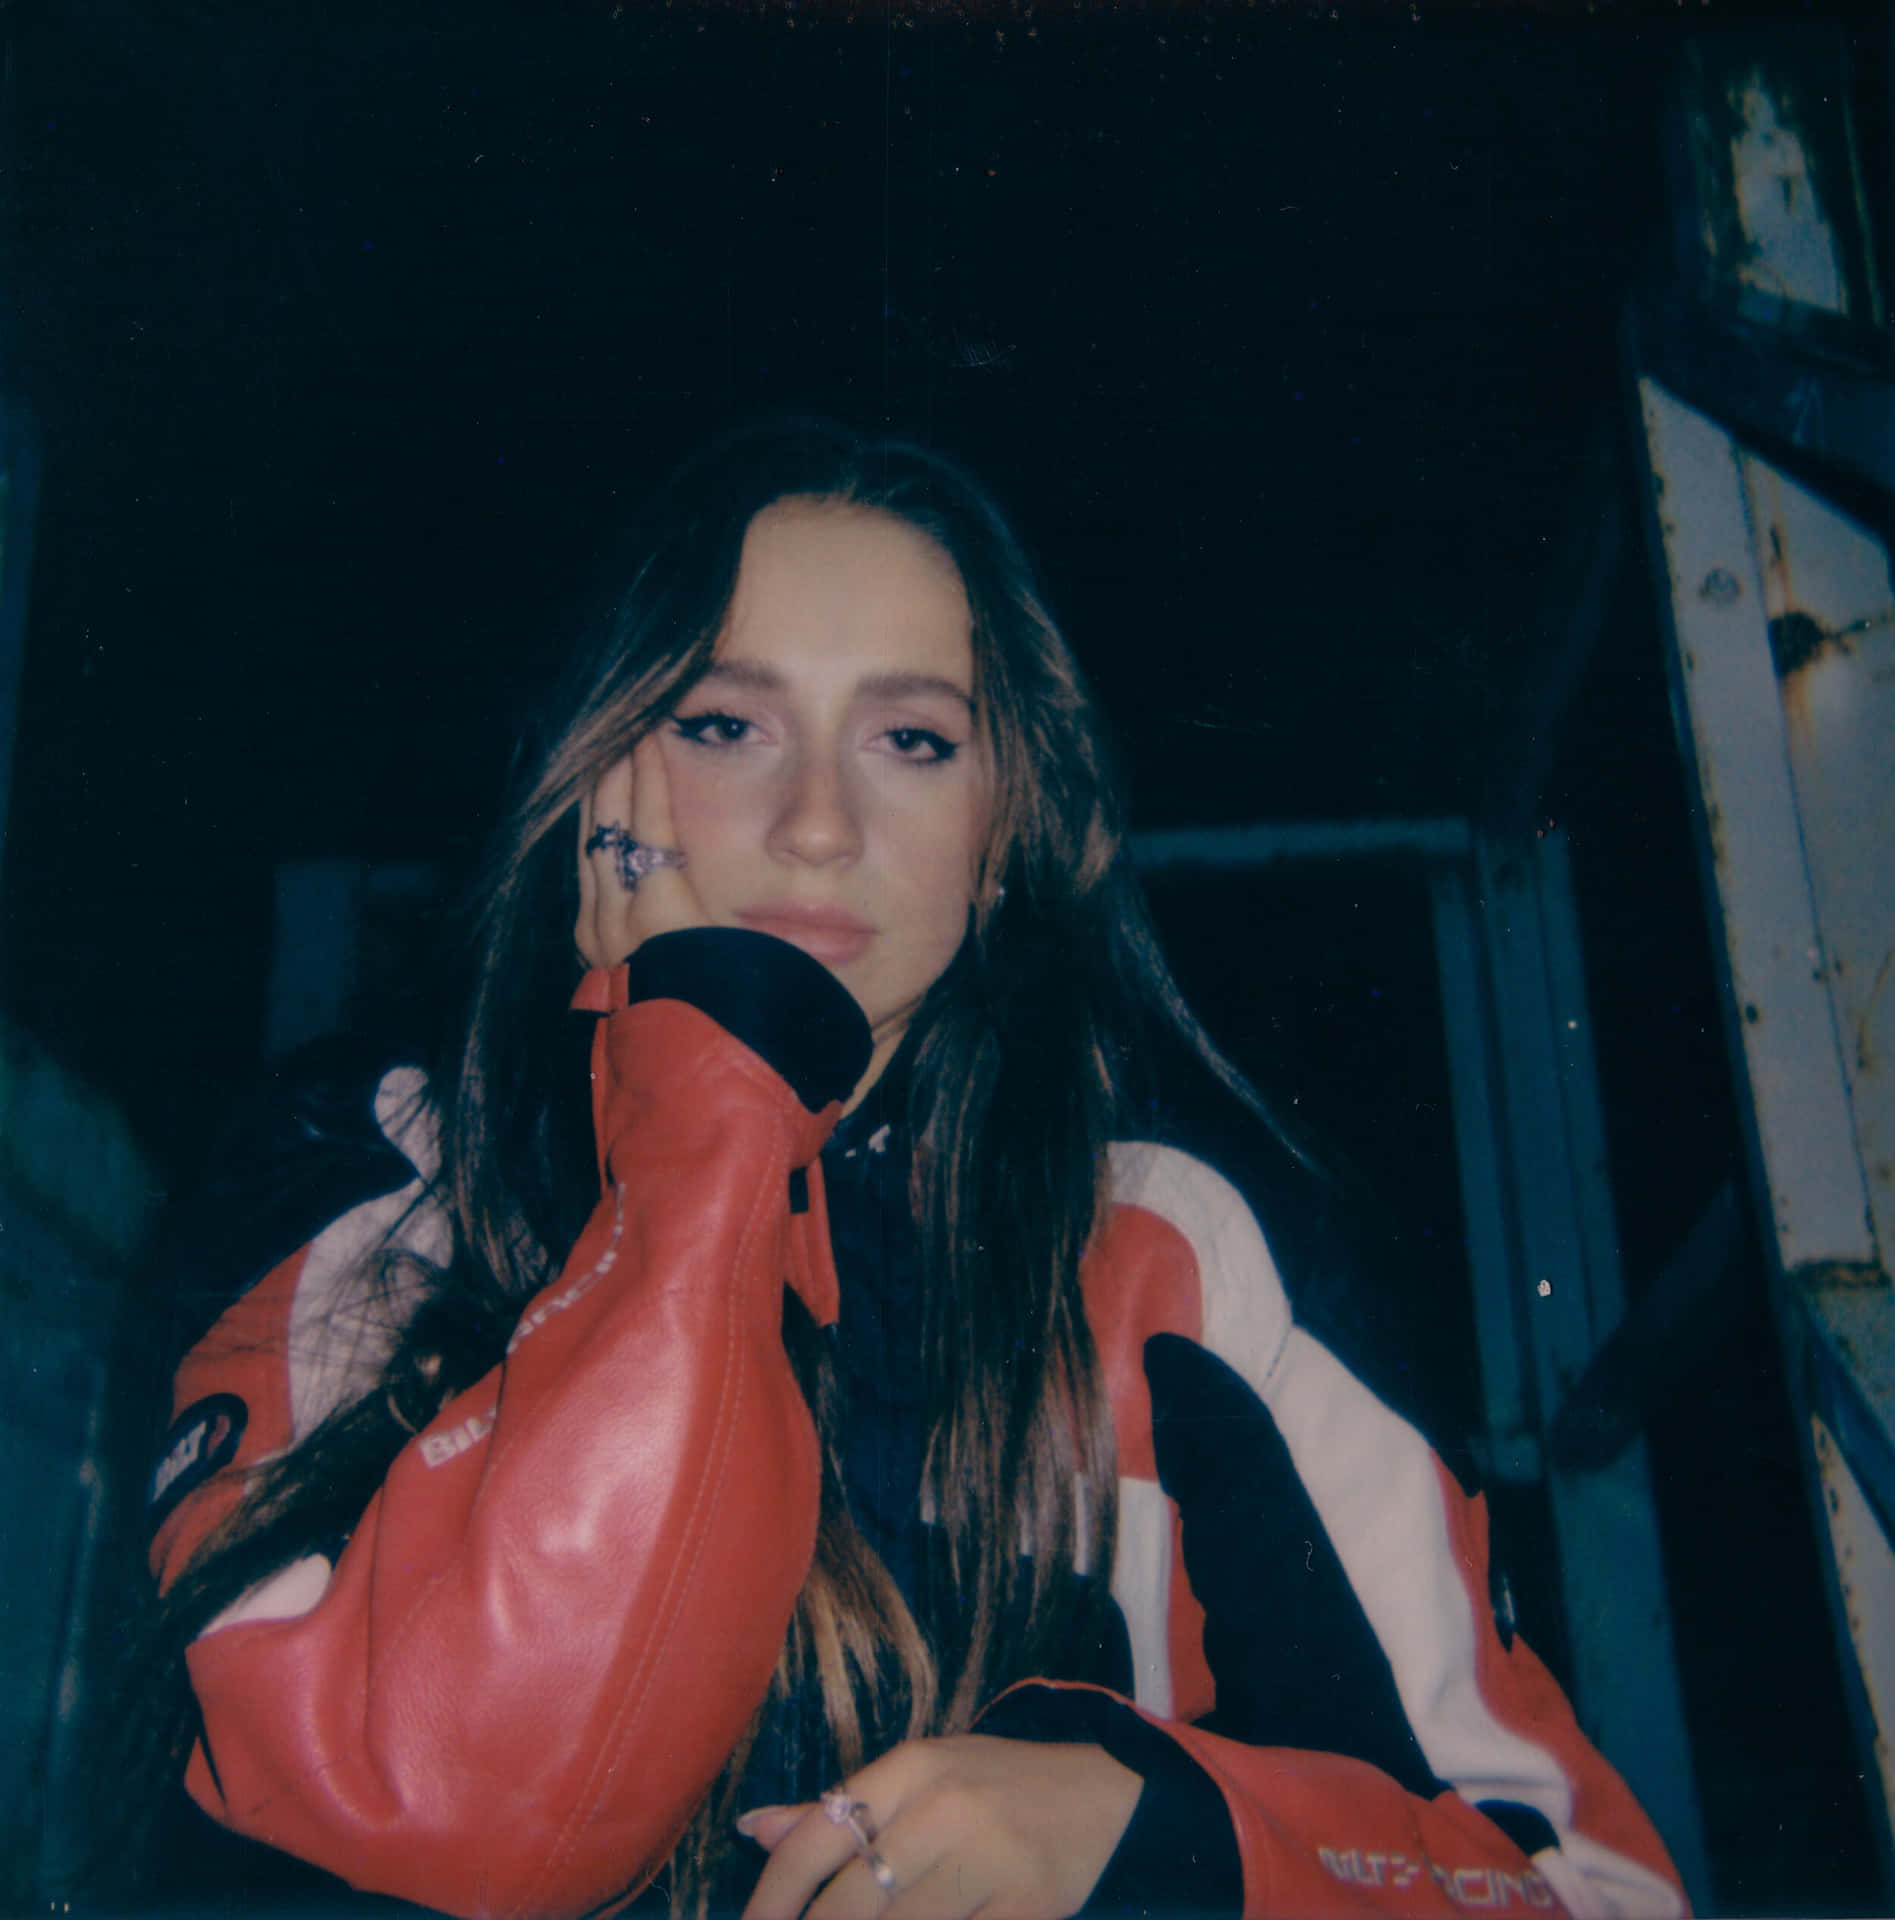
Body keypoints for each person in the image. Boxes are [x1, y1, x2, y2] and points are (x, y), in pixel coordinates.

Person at [141, 420, 1686, 1920]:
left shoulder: (1183, 1254)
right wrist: (708, 1118)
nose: (817, 827)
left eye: (913, 739)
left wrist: (1168, 1839)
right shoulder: (380, 1176)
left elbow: (1584, 1890)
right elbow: (468, 1805)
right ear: (601, 780)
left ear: (1002, 824)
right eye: (724, 724)